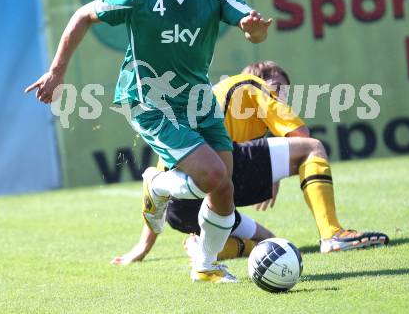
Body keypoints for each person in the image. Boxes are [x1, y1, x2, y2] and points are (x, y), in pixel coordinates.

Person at [25, 0, 272, 283]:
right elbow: (82, 17)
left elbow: (251, 28)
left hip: (197, 99)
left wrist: (254, 31)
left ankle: (206, 265)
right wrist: (57, 72)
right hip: (150, 101)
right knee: (211, 175)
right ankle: (156, 184)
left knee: (225, 187)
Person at [111, 61, 388, 265]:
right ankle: (332, 234)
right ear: (262, 78)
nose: (280, 98)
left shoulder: (221, 99)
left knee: (269, 241)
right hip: (211, 181)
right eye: (278, 89)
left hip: (181, 209)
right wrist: (276, 174)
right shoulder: (253, 85)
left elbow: (161, 189)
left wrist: (143, 247)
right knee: (312, 149)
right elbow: (301, 137)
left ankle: (205, 247)